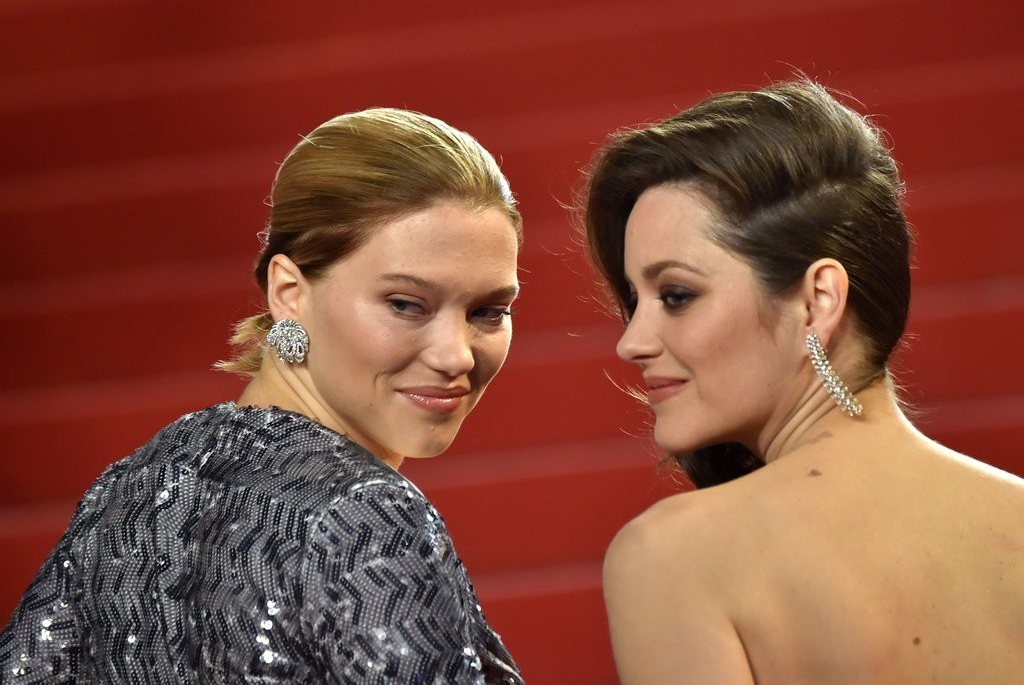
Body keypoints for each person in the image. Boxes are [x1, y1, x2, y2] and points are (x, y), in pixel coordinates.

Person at [0, 108, 525, 683]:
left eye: (488, 311)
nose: (457, 355)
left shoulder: (138, 481)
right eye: (405, 304)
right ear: (289, 292)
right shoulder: (366, 517)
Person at [583, 79, 1024, 684]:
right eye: (635, 301)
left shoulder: (675, 557)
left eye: (677, 295)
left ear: (818, 301)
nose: (631, 341)